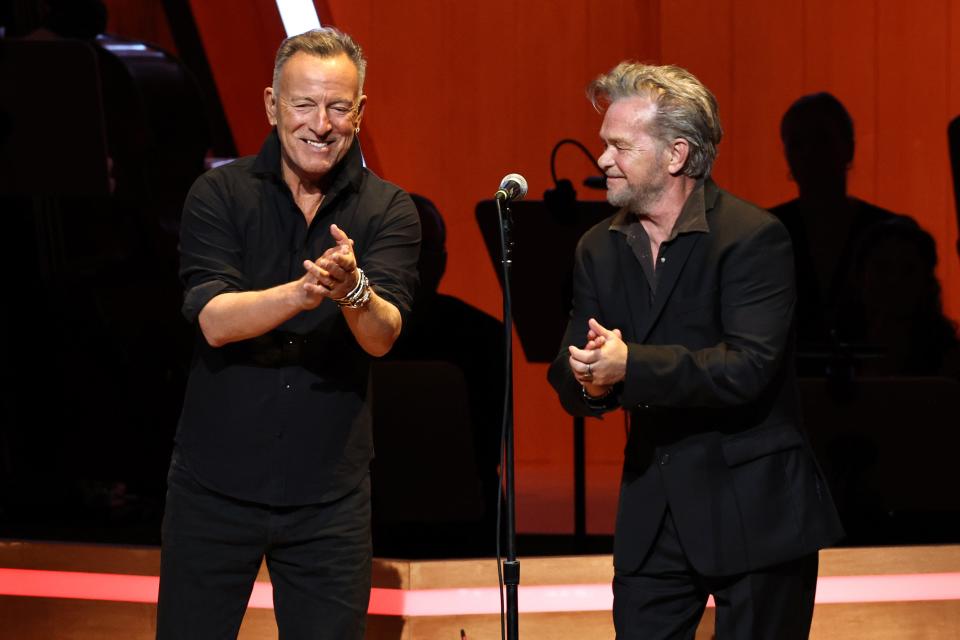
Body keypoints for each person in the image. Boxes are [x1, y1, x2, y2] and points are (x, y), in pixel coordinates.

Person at [547, 62, 844, 639]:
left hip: (752, 508)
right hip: (653, 514)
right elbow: (569, 365)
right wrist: (590, 379)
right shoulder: (598, 247)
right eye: (603, 144)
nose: (602, 159)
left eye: (619, 146)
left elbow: (747, 367)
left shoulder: (752, 238)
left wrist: (631, 365)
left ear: (676, 154)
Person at [156, 28, 420, 639]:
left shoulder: (388, 210)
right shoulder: (218, 195)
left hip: (328, 496)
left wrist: (354, 290)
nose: (320, 124)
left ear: (360, 112)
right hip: (213, 488)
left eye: (337, 107)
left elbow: (382, 336)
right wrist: (303, 294)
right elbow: (215, 322)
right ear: (272, 105)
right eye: (304, 104)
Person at [769, 93, 905, 353]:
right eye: (798, 143)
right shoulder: (888, 231)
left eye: (820, 140)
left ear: (848, 148)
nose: (810, 154)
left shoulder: (763, 232)